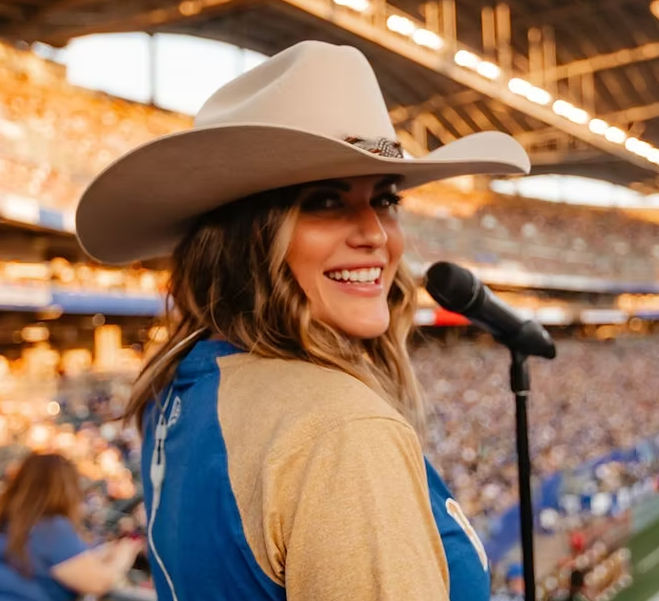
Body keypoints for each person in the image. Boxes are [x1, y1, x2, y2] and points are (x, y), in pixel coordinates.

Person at [75, 40, 530, 601]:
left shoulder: (179, 385)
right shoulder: (338, 429)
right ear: (247, 240)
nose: (375, 235)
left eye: (386, 199)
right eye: (324, 201)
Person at [0, 453, 141, 600]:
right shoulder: (50, 527)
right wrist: (124, 555)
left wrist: (103, 553)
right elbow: (96, 583)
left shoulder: (9, 519)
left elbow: (58, 562)